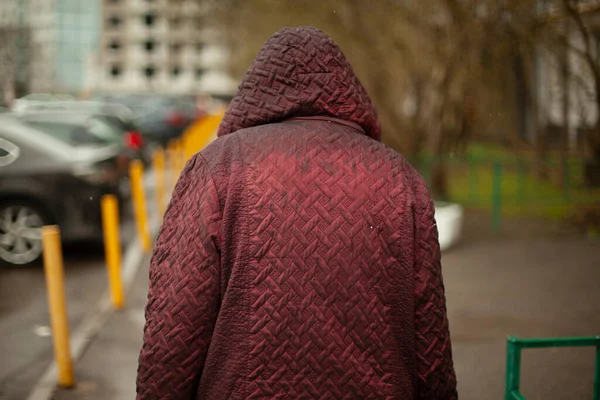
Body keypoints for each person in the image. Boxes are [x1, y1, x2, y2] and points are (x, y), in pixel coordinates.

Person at [137, 26, 457, 399]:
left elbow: (174, 332)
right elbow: (430, 338)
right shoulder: (399, 178)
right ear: (346, 91)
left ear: (257, 90)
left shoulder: (217, 169)